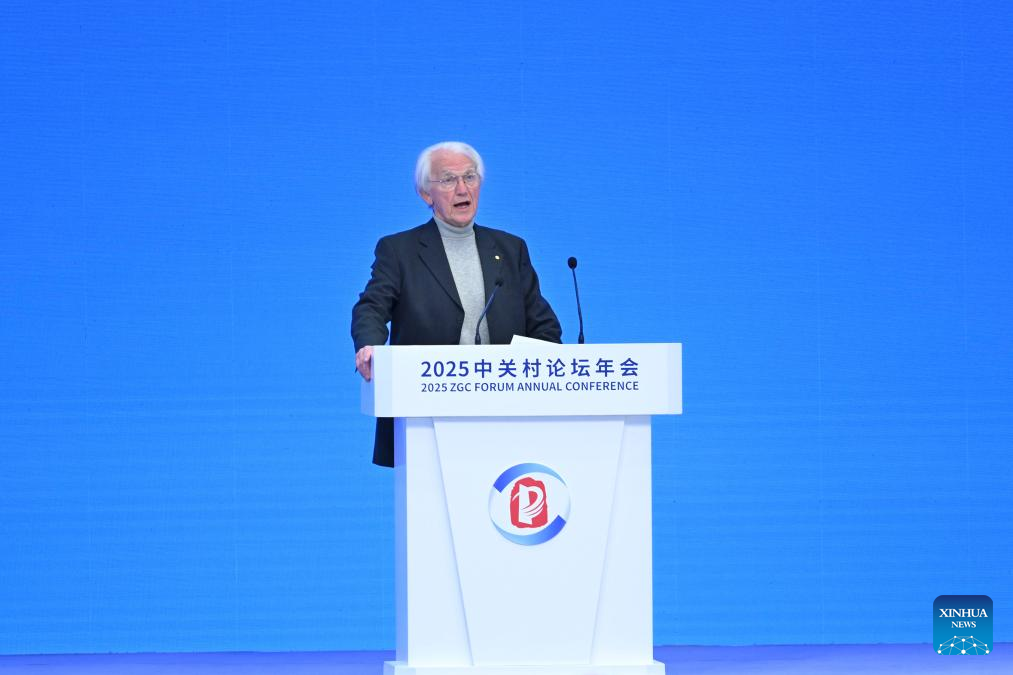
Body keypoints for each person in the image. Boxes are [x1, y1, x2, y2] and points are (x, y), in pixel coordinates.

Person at [352, 141, 562, 466]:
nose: (462, 188)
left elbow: (544, 328)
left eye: (470, 177)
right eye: (449, 180)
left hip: (507, 412)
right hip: (427, 412)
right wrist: (369, 346)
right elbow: (371, 307)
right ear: (426, 193)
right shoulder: (400, 251)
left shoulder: (510, 249)